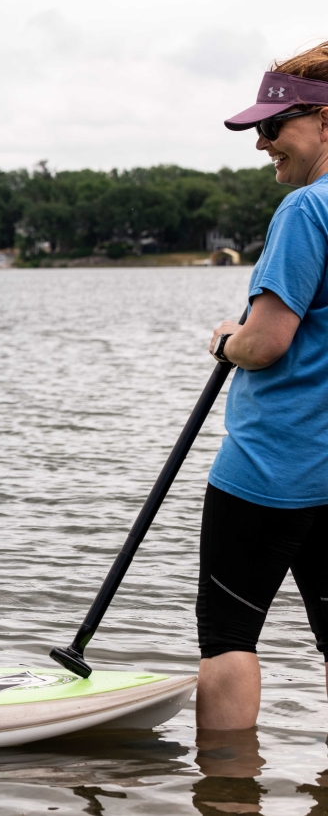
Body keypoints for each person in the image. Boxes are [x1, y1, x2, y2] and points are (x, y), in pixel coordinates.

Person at [200, 41, 328, 730]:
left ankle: (223, 791)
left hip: (270, 467)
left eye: (273, 128)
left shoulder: (308, 212)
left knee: (228, 640)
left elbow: (267, 340)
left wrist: (227, 338)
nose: (262, 145)